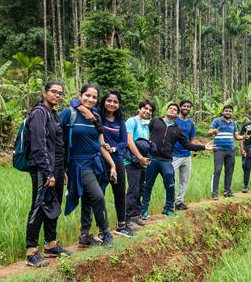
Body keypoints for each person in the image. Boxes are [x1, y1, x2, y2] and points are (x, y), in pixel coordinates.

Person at [60, 84, 116, 247]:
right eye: (87, 96)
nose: (90, 99)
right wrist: (61, 167)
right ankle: (106, 233)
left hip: (96, 162)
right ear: (80, 95)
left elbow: (100, 141)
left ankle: (85, 235)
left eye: (94, 97)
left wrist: (111, 163)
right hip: (78, 164)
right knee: (98, 196)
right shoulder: (68, 114)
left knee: (89, 199)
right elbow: (57, 139)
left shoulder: (96, 115)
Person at [25, 82, 70, 267]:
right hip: (44, 169)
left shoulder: (54, 114)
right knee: (39, 206)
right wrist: (48, 172)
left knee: (54, 205)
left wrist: (62, 171)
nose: (57, 96)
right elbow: (38, 145)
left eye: (60, 93)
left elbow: (57, 145)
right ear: (44, 93)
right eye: (53, 92)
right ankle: (31, 251)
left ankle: (50, 245)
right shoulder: (39, 113)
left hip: (57, 168)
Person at [142, 103, 214, 216]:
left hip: (166, 160)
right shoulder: (156, 121)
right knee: (148, 185)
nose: (172, 110)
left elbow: (187, 144)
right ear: (166, 110)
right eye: (170, 108)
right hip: (153, 158)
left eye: (174, 109)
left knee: (170, 184)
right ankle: (144, 210)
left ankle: (169, 208)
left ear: (176, 114)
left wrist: (204, 147)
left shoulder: (177, 130)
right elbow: (145, 133)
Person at [124, 100, 154, 228]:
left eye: (150, 110)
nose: (147, 111)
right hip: (132, 162)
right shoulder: (131, 121)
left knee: (140, 190)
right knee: (133, 190)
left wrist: (146, 158)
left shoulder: (145, 126)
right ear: (139, 109)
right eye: (145, 108)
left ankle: (136, 216)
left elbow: (145, 144)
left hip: (142, 162)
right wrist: (140, 157)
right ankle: (126, 219)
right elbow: (129, 142)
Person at [208, 105, 246, 199]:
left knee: (229, 171)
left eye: (230, 111)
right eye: (226, 111)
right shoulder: (217, 121)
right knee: (217, 170)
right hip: (219, 150)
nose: (228, 112)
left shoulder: (233, 124)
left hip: (230, 150)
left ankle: (227, 191)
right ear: (223, 112)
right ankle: (214, 193)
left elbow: (236, 137)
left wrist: (243, 137)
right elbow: (208, 132)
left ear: (232, 113)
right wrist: (213, 131)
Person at [172, 100, 196, 210]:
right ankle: (169, 203)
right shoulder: (174, 120)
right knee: (171, 179)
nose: (186, 108)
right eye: (184, 106)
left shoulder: (191, 123)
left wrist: (194, 149)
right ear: (180, 107)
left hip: (186, 155)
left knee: (184, 179)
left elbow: (191, 138)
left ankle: (179, 202)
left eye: (188, 106)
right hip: (174, 154)